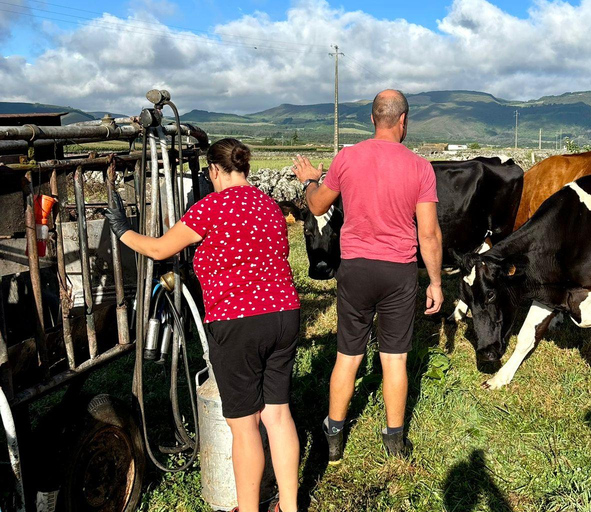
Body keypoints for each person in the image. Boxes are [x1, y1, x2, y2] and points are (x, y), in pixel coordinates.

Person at [105, 138, 300, 512]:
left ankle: (249, 508)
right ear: (244, 168)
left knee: (244, 426)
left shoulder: (210, 208)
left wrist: (122, 230)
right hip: (284, 314)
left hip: (238, 322)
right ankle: (288, 507)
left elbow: (161, 249)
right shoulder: (270, 207)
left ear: (213, 170)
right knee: (278, 415)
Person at [291, 89, 443, 461]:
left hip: (355, 269)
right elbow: (428, 233)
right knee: (394, 359)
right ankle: (394, 440)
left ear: (372, 119)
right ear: (403, 121)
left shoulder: (347, 157)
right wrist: (436, 282)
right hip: (399, 272)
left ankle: (334, 435)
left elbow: (316, 204)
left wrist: (311, 179)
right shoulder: (421, 167)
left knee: (348, 355)